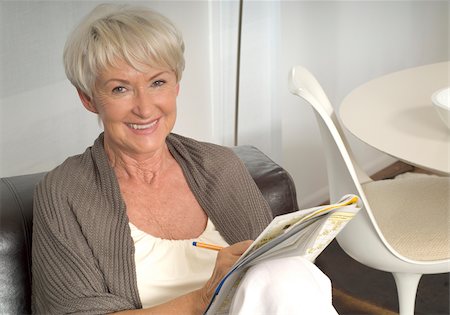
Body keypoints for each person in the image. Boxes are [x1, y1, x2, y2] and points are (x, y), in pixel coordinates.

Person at [32, 4, 337, 314]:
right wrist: (203, 298)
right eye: (120, 89)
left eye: (157, 83)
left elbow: (277, 280)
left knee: (287, 271)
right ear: (88, 99)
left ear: (176, 85)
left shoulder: (221, 166)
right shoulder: (64, 194)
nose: (145, 108)